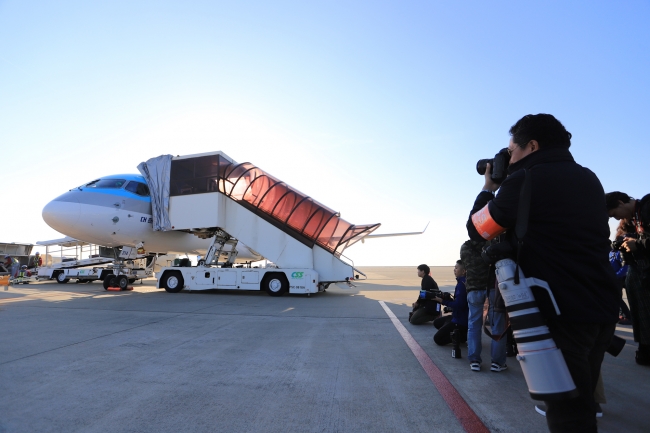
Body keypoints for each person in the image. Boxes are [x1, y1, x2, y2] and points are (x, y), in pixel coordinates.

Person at [467, 114, 618, 432]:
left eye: (512, 151)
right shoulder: (588, 178)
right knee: (582, 404)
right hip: (600, 307)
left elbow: (478, 229)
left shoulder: (526, 180)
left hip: (560, 310)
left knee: (567, 416)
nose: (509, 158)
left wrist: (488, 187)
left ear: (532, 146)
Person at [605, 191, 650, 365]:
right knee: (639, 310)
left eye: (615, 215)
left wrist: (637, 244)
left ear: (620, 203)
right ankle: (645, 346)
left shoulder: (646, 209)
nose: (617, 220)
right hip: (639, 271)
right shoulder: (636, 217)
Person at [460, 239, 508, 372]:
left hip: (473, 290)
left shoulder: (465, 247)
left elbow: (465, 265)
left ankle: (474, 360)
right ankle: (497, 363)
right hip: (492, 290)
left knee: (474, 326)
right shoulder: (493, 245)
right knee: (498, 326)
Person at [432, 260, 468, 346]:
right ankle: (457, 331)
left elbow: (459, 305)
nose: (454, 270)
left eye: (456, 268)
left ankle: (461, 336)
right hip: (458, 316)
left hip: (460, 320)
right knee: (437, 323)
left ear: (463, 271)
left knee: (438, 339)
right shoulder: (463, 282)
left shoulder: (461, 285)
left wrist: (443, 301)